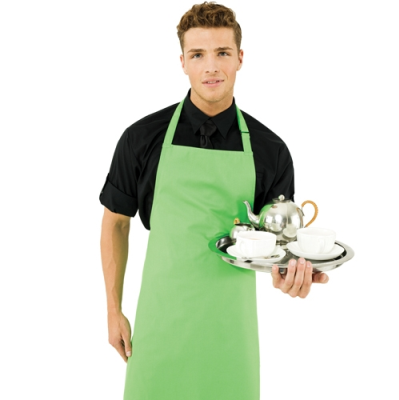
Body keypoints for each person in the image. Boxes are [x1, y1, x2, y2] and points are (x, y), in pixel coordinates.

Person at [100, 2, 329, 399]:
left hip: (229, 337)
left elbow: (278, 247)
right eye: (197, 54)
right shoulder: (141, 138)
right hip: (159, 328)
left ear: (240, 58)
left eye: (222, 52)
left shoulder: (270, 151)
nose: (211, 67)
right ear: (182, 62)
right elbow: (116, 223)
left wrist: (291, 276)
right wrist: (113, 309)